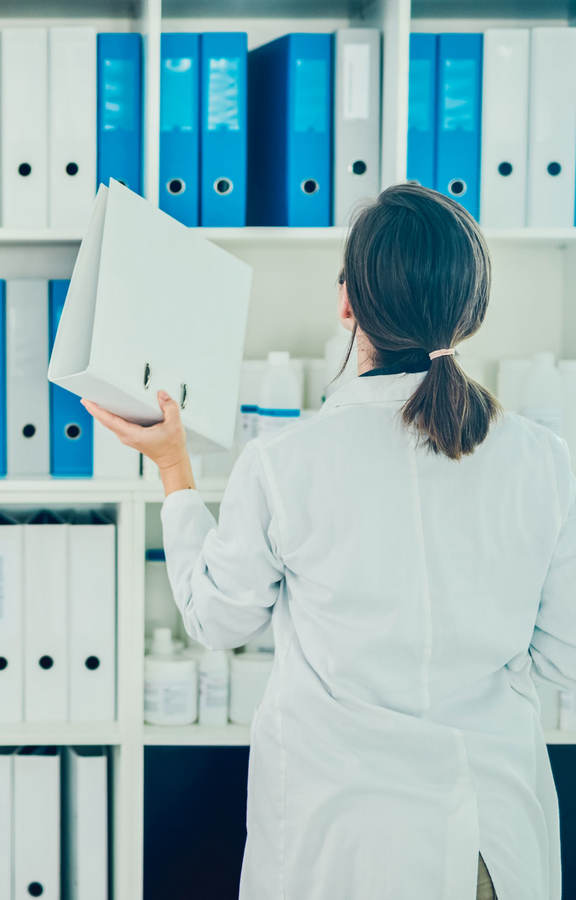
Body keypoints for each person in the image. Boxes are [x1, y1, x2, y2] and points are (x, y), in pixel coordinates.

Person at [86, 183, 575, 900]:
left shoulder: (287, 464)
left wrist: (173, 467)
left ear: (347, 302)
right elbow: (563, 659)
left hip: (343, 849)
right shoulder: (544, 460)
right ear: (470, 313)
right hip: (486, 845)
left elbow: (217, 619)